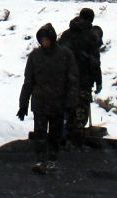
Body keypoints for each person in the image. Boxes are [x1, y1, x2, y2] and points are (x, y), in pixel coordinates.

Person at [18, 23, 79, 172]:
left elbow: (72, 79)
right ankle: (40, 159)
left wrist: (71, 101)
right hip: (40, 101)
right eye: (41, 40)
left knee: (55, 133)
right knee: (39, 132)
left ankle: (52, 158)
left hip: (58, 101)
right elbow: (28, 81)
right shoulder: (34, 56)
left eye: (46, 39)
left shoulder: (65, 54)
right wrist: (23, 104)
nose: (44, 42)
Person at [58, 8, 102, 147]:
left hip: (65, 79)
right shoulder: (91, 37)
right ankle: (76, 142)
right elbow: (94, 62)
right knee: (80, 112)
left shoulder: (66, 34)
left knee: (66, 109)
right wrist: (98, 81)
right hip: (83, 80)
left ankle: (63, 137)